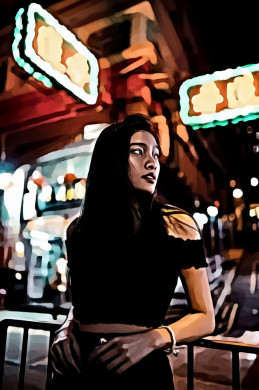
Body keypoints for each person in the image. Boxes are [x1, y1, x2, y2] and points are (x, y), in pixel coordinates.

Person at [49, 113, 215, 390]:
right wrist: (65, 330)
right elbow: (81, 303)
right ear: (111, 160)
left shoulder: (177, 224)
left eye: (155, 154)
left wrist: (154, 339)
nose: (152, 163)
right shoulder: (78, 229)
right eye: (138, 152)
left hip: (142, 369)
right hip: (76, 369)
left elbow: (205, 316)